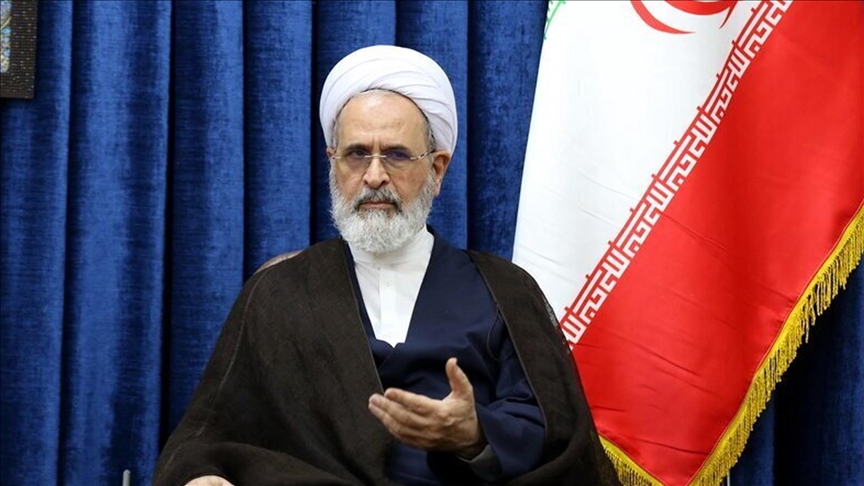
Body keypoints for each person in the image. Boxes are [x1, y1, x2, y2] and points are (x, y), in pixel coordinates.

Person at [153, 45, 620, 486]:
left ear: (437, 169)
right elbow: (207, 435)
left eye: (396, 155)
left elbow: (555, 435)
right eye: (357, 154)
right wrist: (201, 477)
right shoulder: (279, 292)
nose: (374, 176)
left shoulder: (504, 290)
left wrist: (476, 435)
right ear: (333, 163)